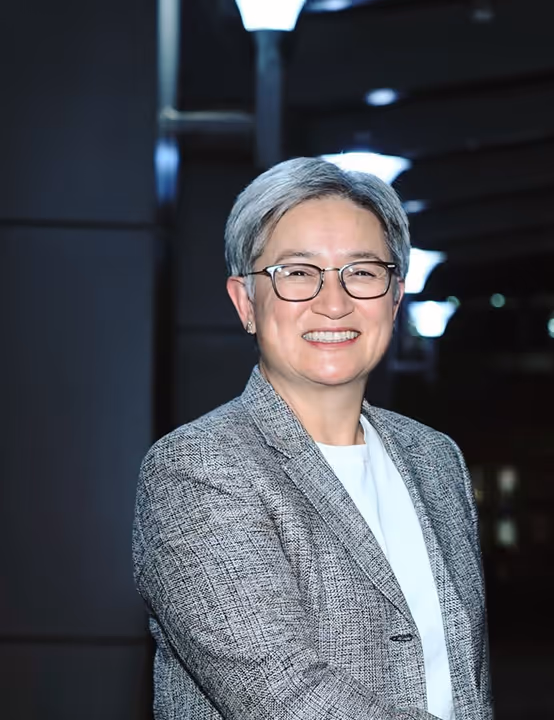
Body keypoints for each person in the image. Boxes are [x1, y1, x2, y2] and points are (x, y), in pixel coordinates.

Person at [133, 157, 490, 720]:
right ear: (246, 303)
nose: (334, 301)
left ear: (395, 298)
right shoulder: (197, 468)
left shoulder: (435, 459)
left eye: (363, 272)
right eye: (298, 273)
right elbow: (283, 695)